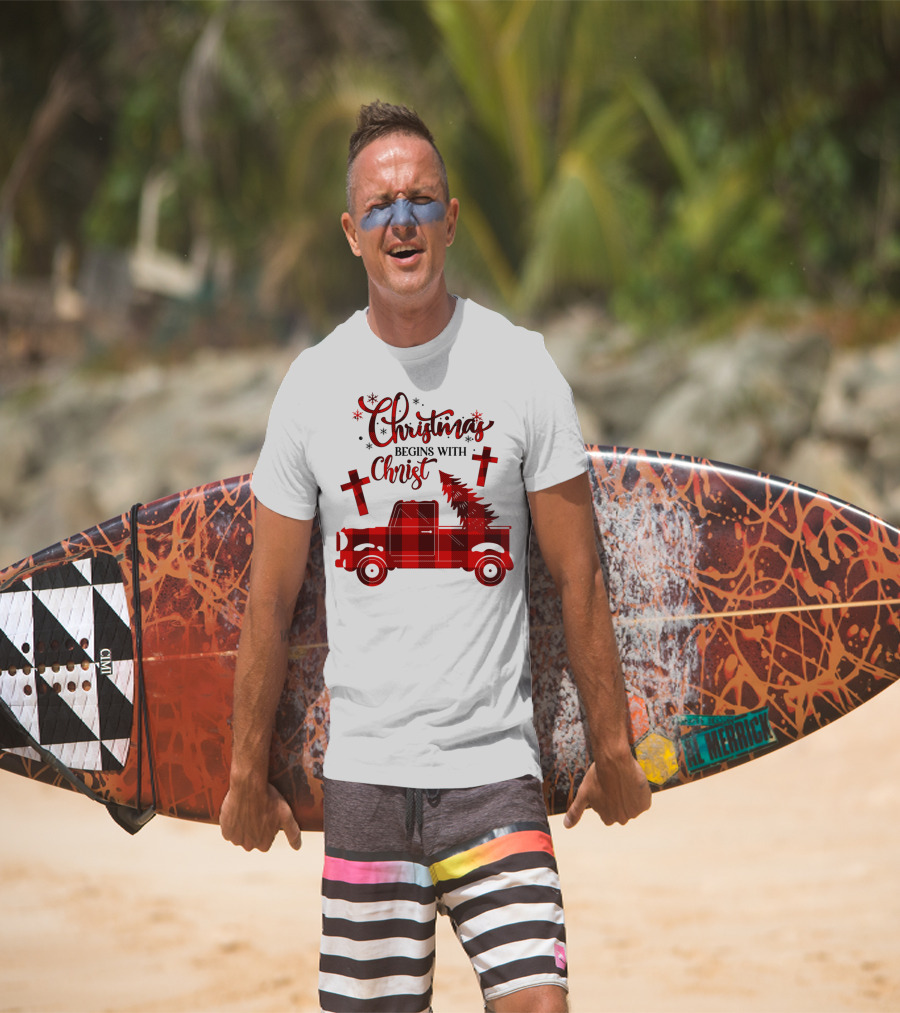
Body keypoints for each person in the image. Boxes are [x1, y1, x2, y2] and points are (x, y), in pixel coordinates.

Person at [220, 100, 651, 1013]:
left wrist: (612, 746)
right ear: (351, 232)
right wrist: (242, 773)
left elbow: (580, 575)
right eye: (380, 206)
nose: (402, 220)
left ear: (451, 219)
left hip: (495, 773)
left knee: (540, 1003)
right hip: (368, 779)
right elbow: (269, 601)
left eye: (421, 200)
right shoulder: (313, 387)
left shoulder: (522, 367)